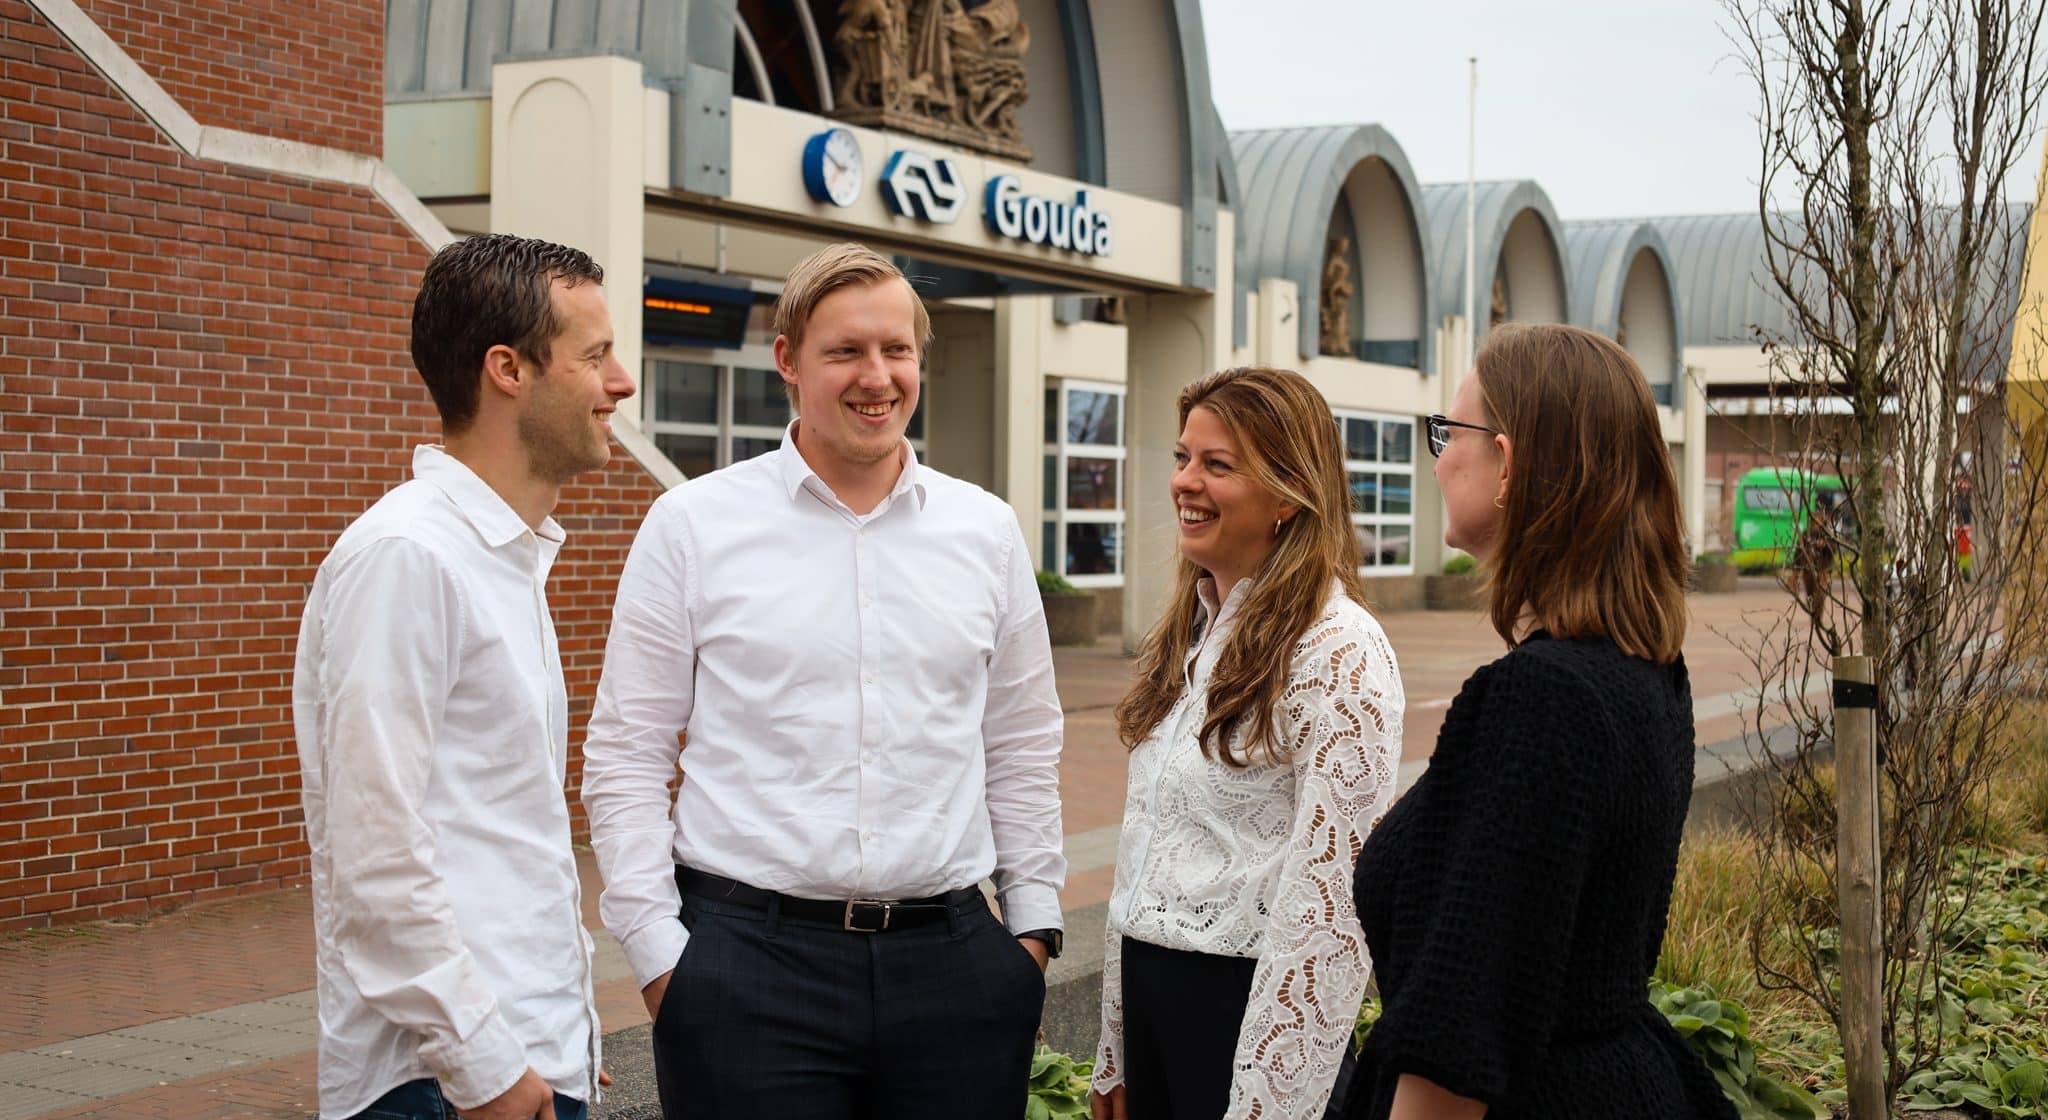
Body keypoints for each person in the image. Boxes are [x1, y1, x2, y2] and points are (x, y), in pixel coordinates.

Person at [581, 241, 1066, 1118]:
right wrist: (659, 957)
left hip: (954, 968)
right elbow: (626, 752)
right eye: (845, 351)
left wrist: (1030, 934)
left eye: (896, 349)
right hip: (746, 972)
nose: (876, 377)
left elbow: (1023, 744)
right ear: (789, 360)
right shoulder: (692, 525)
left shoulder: (986, 532)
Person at [1341, 323, 1735, 1120]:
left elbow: (1456, 1046)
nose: (1438, 457)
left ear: (1508, 463)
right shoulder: (1646, 671)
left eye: (1449, 432)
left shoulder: (1542, 697)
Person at [291, 233, 635, 1120]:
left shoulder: (500, 555)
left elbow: (495, 834)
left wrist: (555, 1033)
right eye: (595, 356)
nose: (622, 382)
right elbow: (374, 853)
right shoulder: (409, 556)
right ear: (507, 370)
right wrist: (487, 1068)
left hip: (513, 1061)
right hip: (444, 1089)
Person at [1090, 367, 1404, 1120]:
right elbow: (1147, 849)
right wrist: (1117, 1042)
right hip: (1155, 1011)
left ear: (1290, 495)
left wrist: (1270, 1101)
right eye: (1182, 457)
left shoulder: (1339, 650)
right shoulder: (1191, 632)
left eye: (1218, 464)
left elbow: (1331, 907)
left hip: (1247, 1024)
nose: (1184, 481)